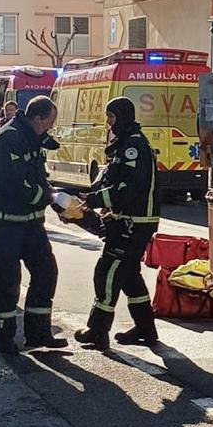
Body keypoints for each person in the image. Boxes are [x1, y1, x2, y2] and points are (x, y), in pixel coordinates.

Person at [73, 97, 160, 350]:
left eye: (111, 118)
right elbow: (113, 179)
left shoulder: (133, 146)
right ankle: (145, 329)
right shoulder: (127, 143)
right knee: (130, 275)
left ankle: (97, 330)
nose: (109, 123)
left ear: (122, 116)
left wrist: (96, 200)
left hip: (133, 222)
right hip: (131, 220)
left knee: (107, 272)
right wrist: (90, 195)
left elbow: (129, 187)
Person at [0, 96, 68, 354]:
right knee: (9, 284)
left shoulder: (31, 137)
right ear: (37, 118)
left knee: (46, 273)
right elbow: (16, 185)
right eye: (49, 123)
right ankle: (5, 338)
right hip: (6, 225)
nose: (49, 129)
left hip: (31, 225)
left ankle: (38, 333)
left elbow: (36, 176)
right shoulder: (10, 138)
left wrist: (53, 196)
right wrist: (48, 196)